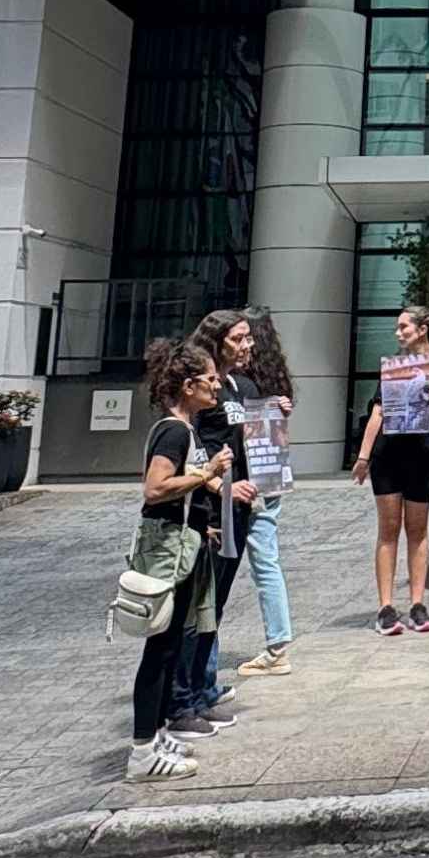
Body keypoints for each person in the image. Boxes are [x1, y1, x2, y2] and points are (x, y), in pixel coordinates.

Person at [127, 339, 255, 783]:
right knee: (160, 648)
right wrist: (209, 473)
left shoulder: (189, 429)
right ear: (188, 385)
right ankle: (143, 749)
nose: (216, 387)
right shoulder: (174, 431)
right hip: (167, 549)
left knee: (171, 641)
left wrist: (206, 516)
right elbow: (155, 487)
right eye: (209, 380)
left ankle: (157, 733)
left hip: (188, 542)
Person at [354, 306, 429, 637]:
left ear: (422, 330)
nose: (398, 332)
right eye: (397, 327)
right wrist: (363, 457)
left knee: (417, 530)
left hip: (424, 457)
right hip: (388, 456)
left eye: (403, 327)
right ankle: (386, 607)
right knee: (388, 528)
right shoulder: (395, 369)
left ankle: (418, 604)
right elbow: (377, 412)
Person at [230, 308, 299, 676]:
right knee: (266, 559)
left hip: (243, 475)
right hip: (269, 471)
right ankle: (278, 644)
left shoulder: (235, 380)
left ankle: (276, 646)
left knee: (242, 561)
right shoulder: (273, 374)